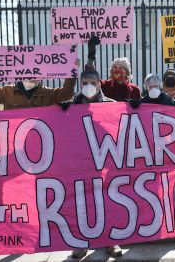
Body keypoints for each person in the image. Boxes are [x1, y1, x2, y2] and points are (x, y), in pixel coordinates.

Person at [58, 68, 122, 260]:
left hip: (104, 163)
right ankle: (80, 243)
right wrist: (60, 114)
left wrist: (135, 108)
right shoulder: (70, 107)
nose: (88, 87)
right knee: (80, 204)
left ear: (99, 84)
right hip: (79, 164)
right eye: (84, 83)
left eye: (92, 83)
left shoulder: (112, 106)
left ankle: (111, 241)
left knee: (107, 203)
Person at [0, 77, 76, 109]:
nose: (32, 76)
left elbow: (66, 94)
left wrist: (71, 73)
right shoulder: (8, 91)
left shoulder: (47, 93)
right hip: (14, 138)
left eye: (36, 72)